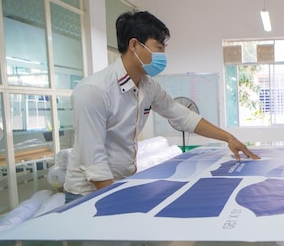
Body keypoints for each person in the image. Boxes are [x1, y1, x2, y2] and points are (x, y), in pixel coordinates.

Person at [64, 10, 259, 203]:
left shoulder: (148, 86)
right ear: (134, 45)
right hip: (89, 194)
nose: (162, 55)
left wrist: (228, 138)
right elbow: (94, 160)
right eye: (158, 48)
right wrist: (114, 200)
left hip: (121, 185)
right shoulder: (94, 91)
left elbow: (182, 115)